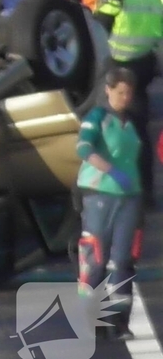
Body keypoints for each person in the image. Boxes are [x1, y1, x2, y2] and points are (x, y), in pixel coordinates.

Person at [76, 66, 143, 341]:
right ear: (108, 90)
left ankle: (119, 321)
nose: (125, 98)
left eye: (129, 93)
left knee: (123, 260)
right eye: (120, 92)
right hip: (100, 194)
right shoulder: (98, 117)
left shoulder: (132, 121)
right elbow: (83, 148)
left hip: (129, 196)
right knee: (96, 258)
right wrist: (109, 170)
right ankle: (91, 319)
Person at [92, 0, 163, 207]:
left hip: (119, 65)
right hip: (145, 64)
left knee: (109, 126)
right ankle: (145, 192)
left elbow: (100, 26)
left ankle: (114, 190)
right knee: (139, 127)